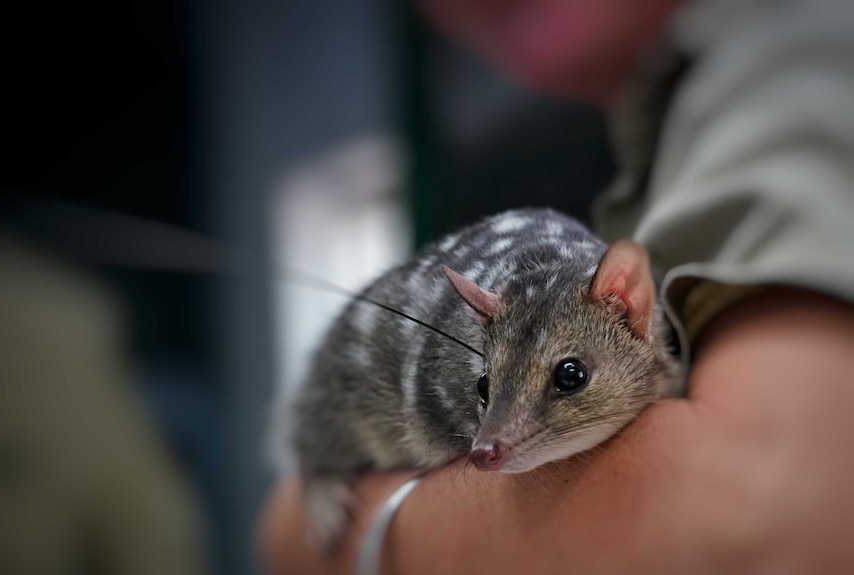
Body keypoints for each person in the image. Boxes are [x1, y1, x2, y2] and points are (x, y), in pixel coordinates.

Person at [258, 0, 854, 572]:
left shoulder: (796, 61)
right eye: (491, 387)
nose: (490, 445)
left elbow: (761, 527)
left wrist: (339, 541)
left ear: (628, 306)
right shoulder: (628, 139)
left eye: (568, 378)